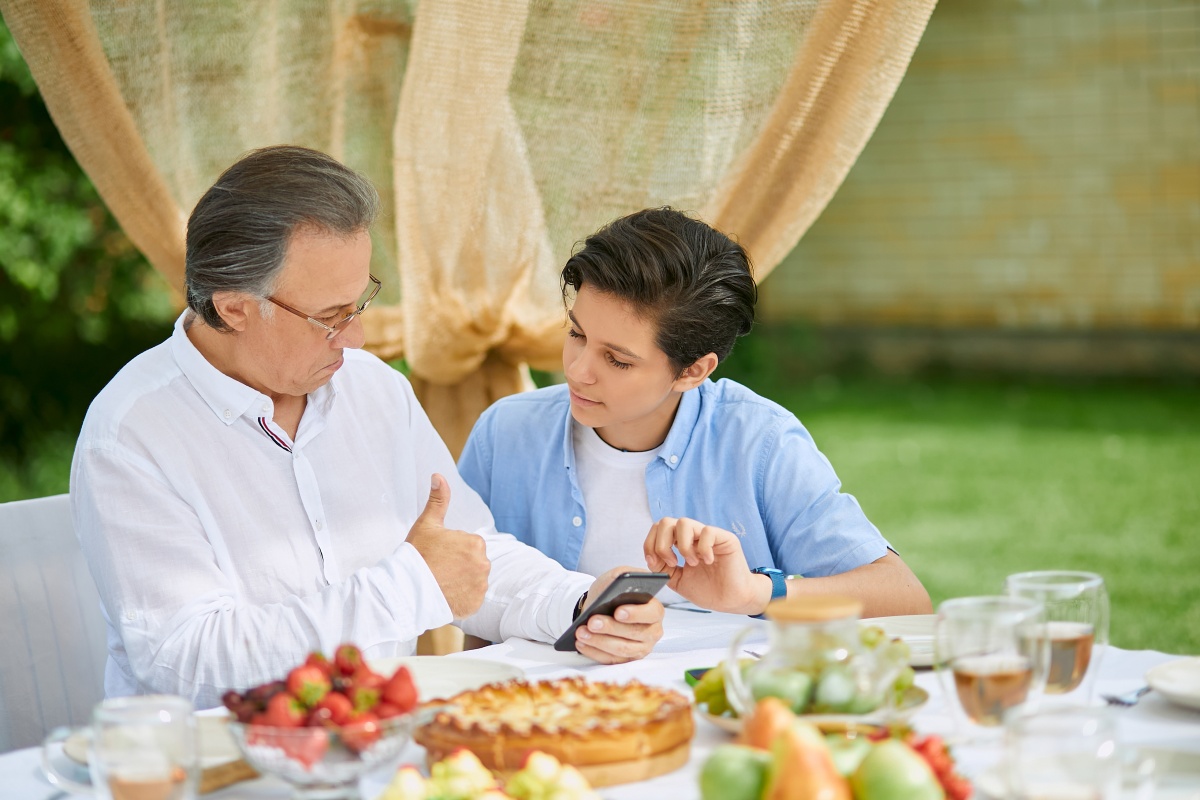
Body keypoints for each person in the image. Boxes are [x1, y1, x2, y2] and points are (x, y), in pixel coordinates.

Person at [71, 146, 663, 709]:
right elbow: (189, 663)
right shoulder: (130, 435)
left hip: (388, 747)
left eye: (360, 303)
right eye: (331, 317)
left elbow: (468, 557)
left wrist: (581, 604)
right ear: (234, 308)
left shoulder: (371, 387)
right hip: (225, 773)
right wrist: (408, 586)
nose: (355, 339)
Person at [458, 208, 931, 618]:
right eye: (577, 334)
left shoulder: (759, 442)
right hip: (545, 710)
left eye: (617, 360)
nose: (578, 372)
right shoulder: (506, 433)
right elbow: (465, 603)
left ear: (692, 370)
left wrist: (754, 592)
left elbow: (903, 596)